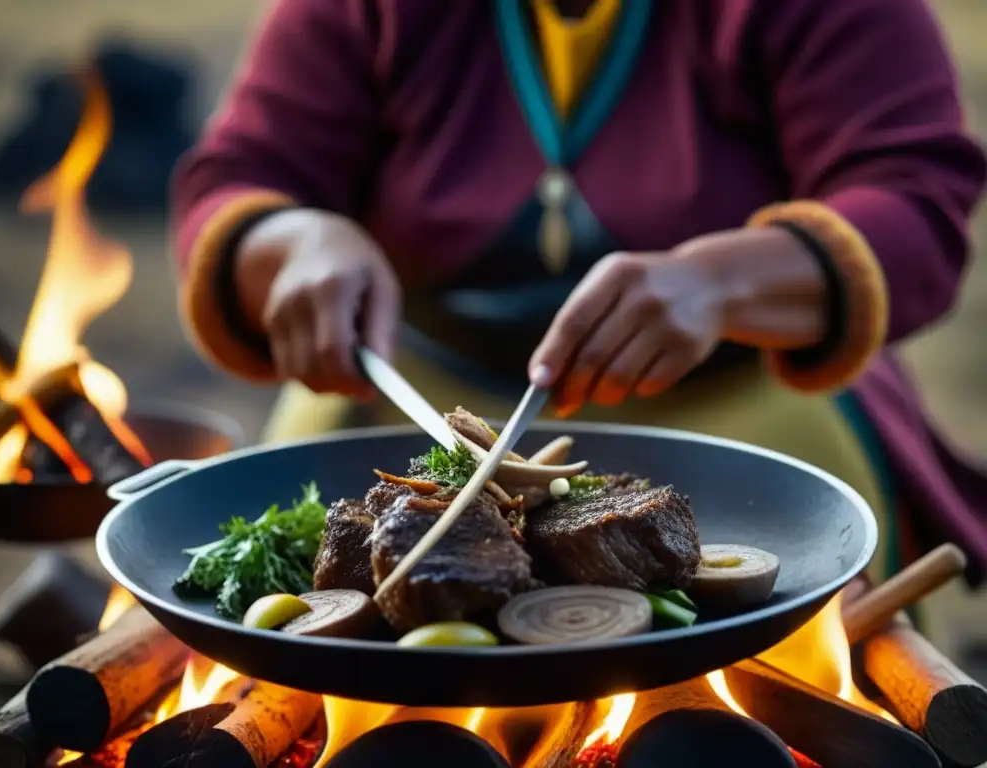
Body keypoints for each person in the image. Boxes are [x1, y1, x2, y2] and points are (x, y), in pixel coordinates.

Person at [170, 0, 987, 591]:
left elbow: (915, 198)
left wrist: (725, 282)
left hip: (747, 408)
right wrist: (289, 242)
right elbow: (242, 175)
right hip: (405, 404)